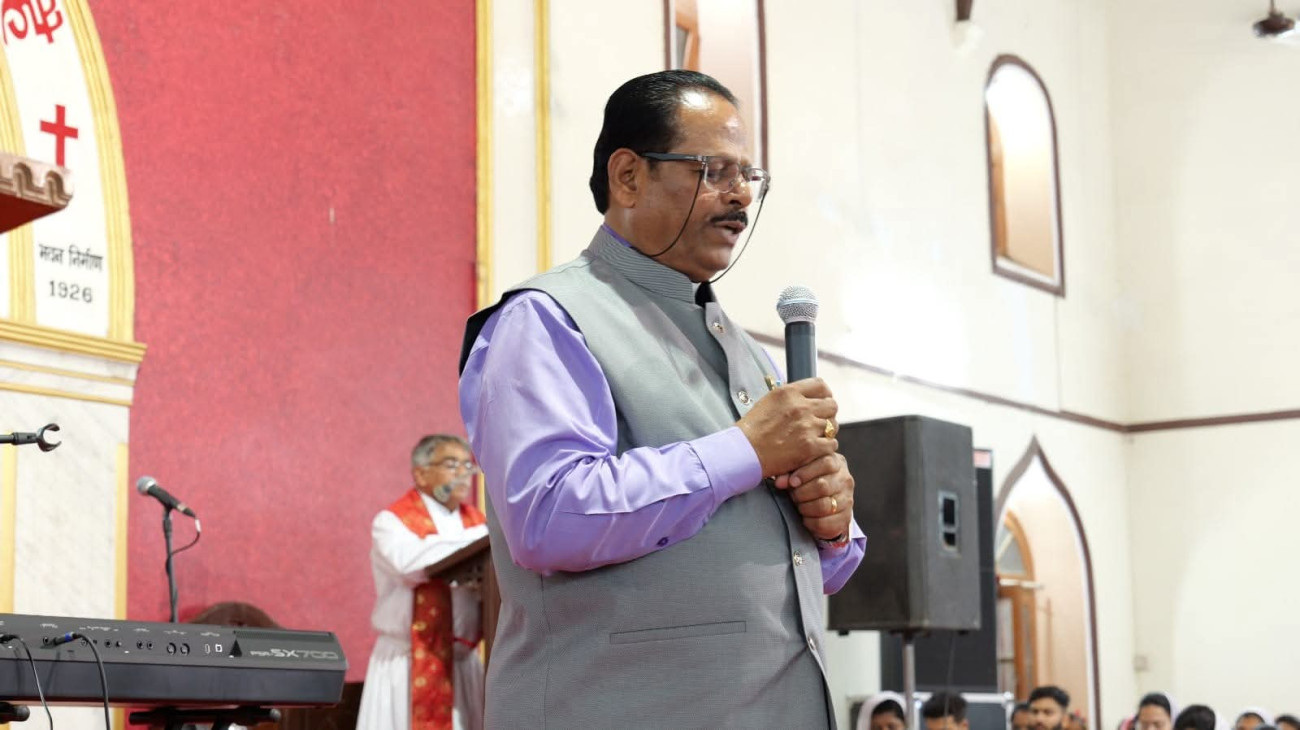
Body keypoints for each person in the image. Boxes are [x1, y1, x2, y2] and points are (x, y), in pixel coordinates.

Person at [458, 69, 866, 728]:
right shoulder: (548, 320)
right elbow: (547, 515)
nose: (740, 194)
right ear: (628, 176)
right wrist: (745, 450)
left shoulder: (748, 352)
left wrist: (834, 524)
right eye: (713, 171)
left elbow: (798, 573)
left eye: (748, 176)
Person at [356, 434, 489, 730]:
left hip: (463, 664)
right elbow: (412, 564)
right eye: (451, 464)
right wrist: (484, 538)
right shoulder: (392, 522)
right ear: (421, 473)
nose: (463, 473)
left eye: (467, 465)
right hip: (408, 662)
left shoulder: (478, 524)